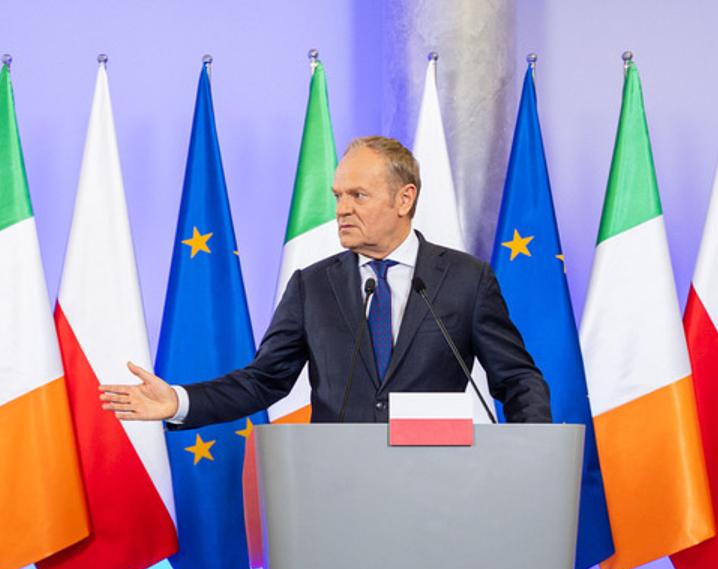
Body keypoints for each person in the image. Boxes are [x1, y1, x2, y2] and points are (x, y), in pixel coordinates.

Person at [102, 135, 550, 426]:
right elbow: (263, 381)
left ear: (404, 198)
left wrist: (532, 453)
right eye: (338, 195)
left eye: (358, 195)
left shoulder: (465, 280)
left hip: (435, 489)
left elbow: (517, 378)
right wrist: (179, 401)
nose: (342, 209)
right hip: (335, 492)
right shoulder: (312, 286)